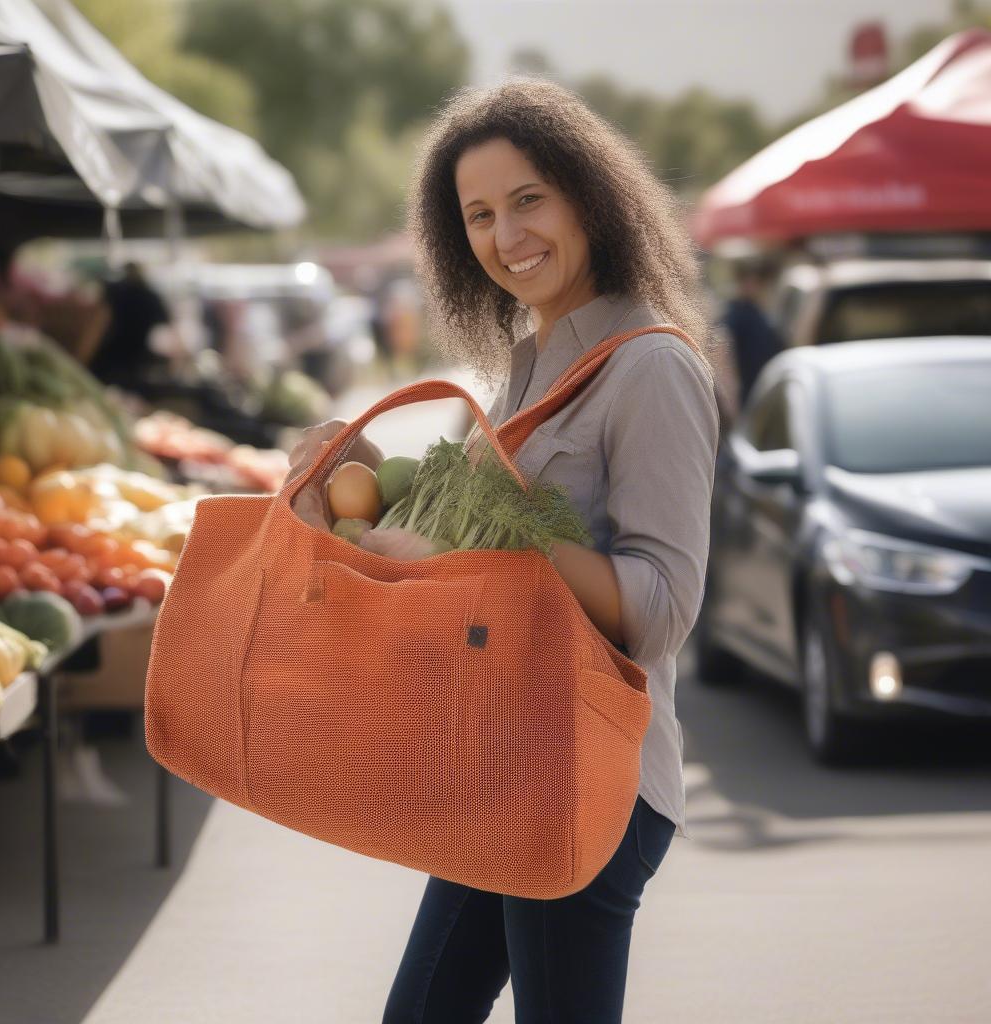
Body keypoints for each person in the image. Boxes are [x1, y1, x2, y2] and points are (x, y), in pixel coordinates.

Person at [284, 78, 719, 1023]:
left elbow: (662, 606)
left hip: (584, 776)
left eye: (529, 200)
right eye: (478, 216)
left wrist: (514, 532)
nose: (506, 236)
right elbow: (461, 557)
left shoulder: (651, 366)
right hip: (499, 761)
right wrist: (357, 488)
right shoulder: (528, 363)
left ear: (586, 195)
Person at [86, 262, 173, 388]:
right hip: (135, 351)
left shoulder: (117, 292)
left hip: (113, 348)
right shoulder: (148, 295)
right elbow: (164, 319)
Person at [721, 259, 786, 407]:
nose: (752, 286)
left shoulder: (760, 310)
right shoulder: (737, 313)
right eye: (748, 281)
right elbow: (724, 353)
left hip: (770, 385)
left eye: (756, 281)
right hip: (751, 391)